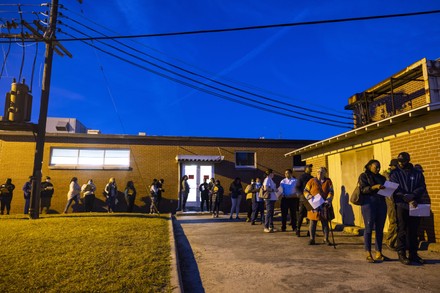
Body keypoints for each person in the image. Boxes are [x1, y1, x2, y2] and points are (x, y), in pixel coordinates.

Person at [390, 152, 426, 265]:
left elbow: (422, 186)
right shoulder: (394, 173)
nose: (401, 163)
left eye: (403, 161)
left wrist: (414, 196)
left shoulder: (417, 173)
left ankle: (413, 254)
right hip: (402, 204)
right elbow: (394, 189)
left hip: (416, 203)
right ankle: (401, 253)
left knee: (414, 230)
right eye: (399, 161)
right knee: (402, 229)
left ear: (408, 161)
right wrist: (406, 197)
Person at [359, 159, 389, 263]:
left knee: (379, 229)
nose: (378, 168)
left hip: (381, 204)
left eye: (379, 166)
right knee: (368, 229)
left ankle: (378, 252)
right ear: (369, 166)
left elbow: (387, 190)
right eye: (376, 166)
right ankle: (368, 252)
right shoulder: (364, 176)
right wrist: (374, 187)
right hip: (369, 204)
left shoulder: (381, 177)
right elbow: (363, 189)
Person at [304, 167, 334, 245]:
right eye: (318, 172)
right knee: (312, 222)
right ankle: (312, 239)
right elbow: (305, 191)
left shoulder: (328, 181)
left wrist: (328, 200)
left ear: (325, 173)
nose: (319, 173)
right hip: (314, 205)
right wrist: (308, 196)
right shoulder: (311, 181)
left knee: (325, 223)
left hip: (324, 205)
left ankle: (326, 239)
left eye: (321, 172)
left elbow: (331, 191)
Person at [384, 159, 398, 250]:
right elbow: (388, 194)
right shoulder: (388, 176)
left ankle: (392, 241)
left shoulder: (392, 175)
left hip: (394, 202)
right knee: (394, 222)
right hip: (391, 203)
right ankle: (389, 241)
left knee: (397, 222)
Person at [295, 164, 313, 237]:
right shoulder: (302, 177)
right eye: (309, 168)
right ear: (306, 169)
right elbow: (297, 187)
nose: (311, 169)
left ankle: (310, 231)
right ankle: (298, 229)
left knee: (310, 215)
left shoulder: (312, 178)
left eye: (311, 168)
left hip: (311, 199)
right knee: (301, 214)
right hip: (303, 199)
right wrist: (300, 195)